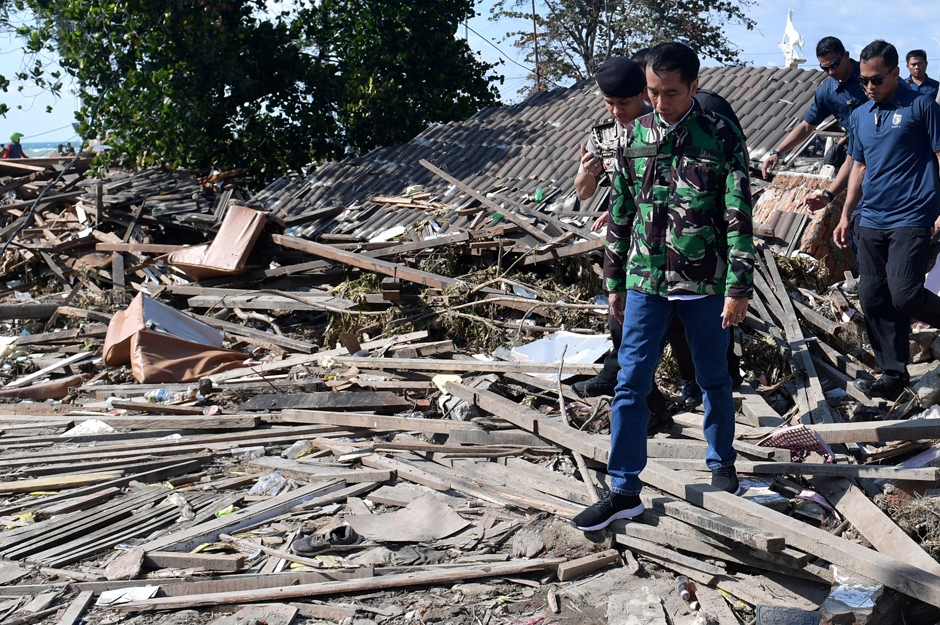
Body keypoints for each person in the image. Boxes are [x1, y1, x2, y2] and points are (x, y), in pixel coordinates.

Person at [571, 42, 754, 531]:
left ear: (694, 87)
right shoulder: (634, 135)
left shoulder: (720, 135)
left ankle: (721, 465)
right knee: (630, 384)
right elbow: (621, 210)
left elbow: (738, 214)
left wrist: (739, 286)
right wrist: (614, 279)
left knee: (713, 379)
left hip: (706, 282)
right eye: (653, 92)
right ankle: (624, 489)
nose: (660, 102)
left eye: (671, 93)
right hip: (646, 280)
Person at [574, 51, 744, 407]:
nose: (617, 111)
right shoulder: (609, 136)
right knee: (629, 338)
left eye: (624, 102)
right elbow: (600, 195)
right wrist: (587, 175)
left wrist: (737, 284)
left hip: (694, 260)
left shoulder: (693, 128)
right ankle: (642, 400)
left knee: (697, 342)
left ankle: (700, 388)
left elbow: (727, 204)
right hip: (643, 260)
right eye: (609, 104)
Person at [820, 40, 940, 401]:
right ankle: (893, 374)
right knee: (873, 297)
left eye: (877, 80)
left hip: (913, 214)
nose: (870, 87)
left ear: (896, 73)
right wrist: (843, 215)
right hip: (870, 218)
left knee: (904, 293)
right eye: (865, 81)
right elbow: (858, 165)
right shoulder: (860, 115)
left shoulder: (922, 106)